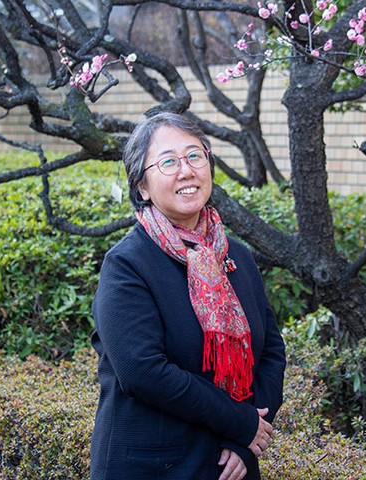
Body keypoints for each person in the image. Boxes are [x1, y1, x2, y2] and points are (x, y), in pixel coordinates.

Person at [90, 111, 286, 480]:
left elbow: (271, 350)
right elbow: (142, 371)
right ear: (142, 186)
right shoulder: (127, 264)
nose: (186, 171)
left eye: (195, 156)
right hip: (152, 467)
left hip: (231, 465)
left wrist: (246, 439)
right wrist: (240, 423)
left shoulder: (236, 256)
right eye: (168, 162)